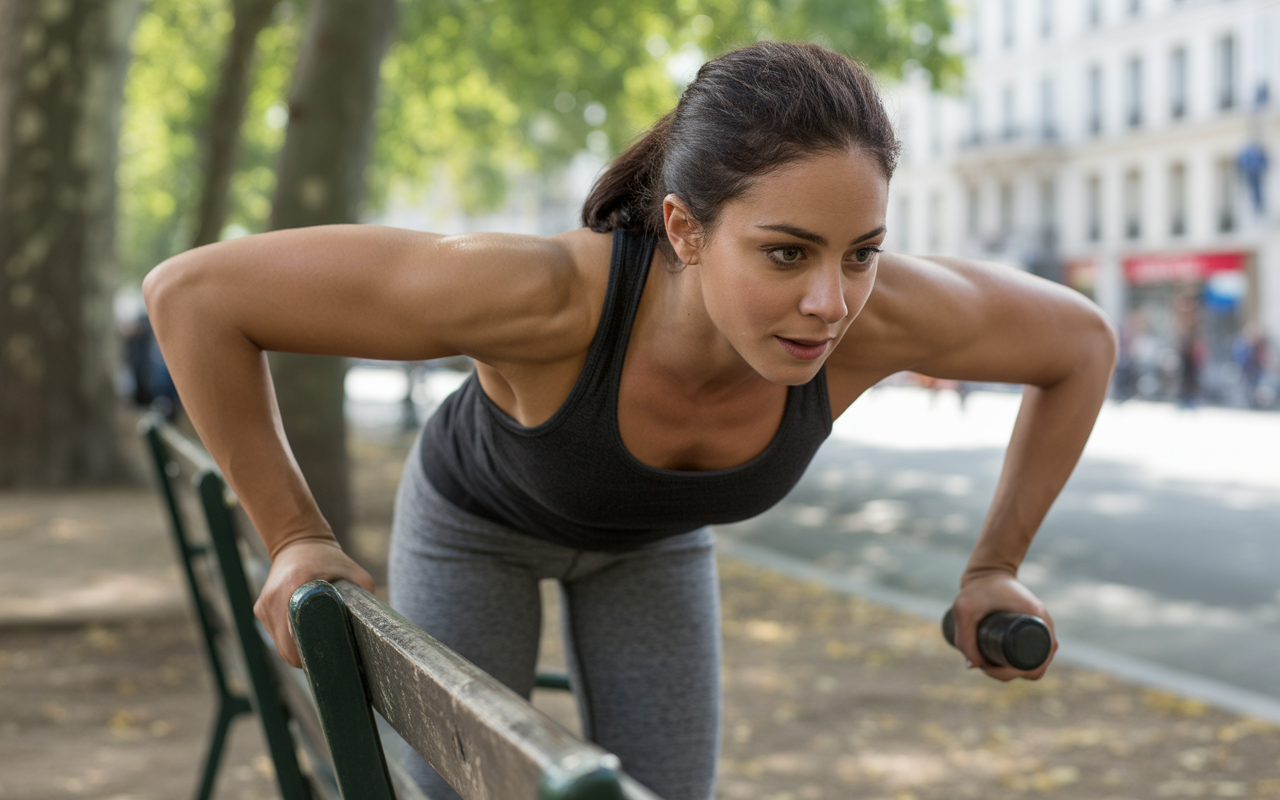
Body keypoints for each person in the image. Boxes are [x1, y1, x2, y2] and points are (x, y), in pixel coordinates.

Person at [144, 42, 1117, 800]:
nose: (830, 300)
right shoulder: (543, 294)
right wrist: (294, 537)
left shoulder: (883, 316)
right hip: (475, 525)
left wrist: (992, 565)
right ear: (686, 229)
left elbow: (1077, 346)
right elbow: (193, 295)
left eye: (859, 252)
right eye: (785, 254)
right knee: (458, 785)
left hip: (650, 544)